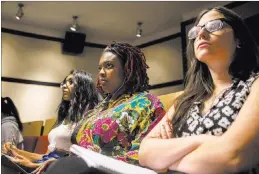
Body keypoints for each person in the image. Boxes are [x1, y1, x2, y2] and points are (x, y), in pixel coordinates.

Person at [139, 6, 259, 174]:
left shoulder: (255, 84)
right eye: (196, 31)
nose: (201, 34)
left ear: (239, 39)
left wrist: (166, 160)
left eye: (215, 25)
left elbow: (233, 156)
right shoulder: (187, 98)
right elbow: (145, 153)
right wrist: (202, 141)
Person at [44, 42, 166, 174]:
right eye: (100, 68)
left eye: (109, 66)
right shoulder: (100, 108)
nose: (101, 73)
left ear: (127, 70)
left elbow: (144, 157)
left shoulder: (147, 104)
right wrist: (66, 160)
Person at [2, 70, 99, 173]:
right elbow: (46, 157)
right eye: (64, 82)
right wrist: (16, 151)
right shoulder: (66, 118)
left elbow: (75, 162)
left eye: (71, 82)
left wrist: (31, 164)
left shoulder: (88, 119)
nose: (64, 86)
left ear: (83, 86)